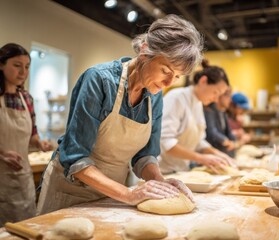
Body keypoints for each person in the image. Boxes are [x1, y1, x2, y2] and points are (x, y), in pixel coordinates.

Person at [37, 14, 204, 215]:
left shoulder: (154, 94)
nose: (169, 83)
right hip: (70, 191)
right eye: (166, 70)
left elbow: (144, 156)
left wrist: (162, 183)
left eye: (176, 77)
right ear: (145, 52)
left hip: (112, 194)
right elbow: (74, 157)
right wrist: (128, 195)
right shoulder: (99, 80)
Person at [0, 43, 52, 226]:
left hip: (22, 178)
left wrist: (40, 143)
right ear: (1, 64)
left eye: (27, 66)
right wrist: (2, 153)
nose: (23, 71)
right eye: (17, 65)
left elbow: (32, 133)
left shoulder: (27, 98)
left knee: (25, 227)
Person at [158, 60, 235, 174]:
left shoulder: (198, 103)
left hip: (180, 171)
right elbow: (165, 142)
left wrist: (217, 154)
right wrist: (200, 158)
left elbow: (198, 142)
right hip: (162, 170)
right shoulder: (177, 97)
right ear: (203, 81)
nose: (215, 99)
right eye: (215, 92)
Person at [204, 86, 237, 157]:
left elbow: (229, 132)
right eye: (228, 96)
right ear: (220, 96)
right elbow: (212, 132)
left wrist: (233, 141)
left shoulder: (223, 112)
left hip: (222, 152)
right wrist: (226, 141)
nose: (230, 100)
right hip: (211, 153)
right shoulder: (209, 110)